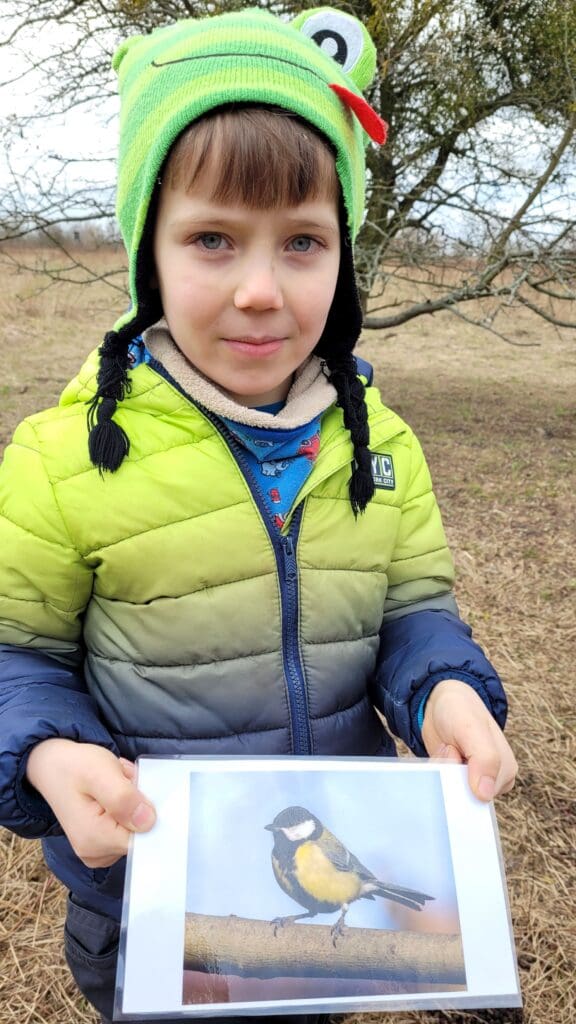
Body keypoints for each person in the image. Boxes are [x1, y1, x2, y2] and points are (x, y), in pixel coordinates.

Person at [0, 7, 517, 1023]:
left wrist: (443, 690)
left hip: (316, 926)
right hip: (147, 900)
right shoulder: (64, 462)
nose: (257, 290)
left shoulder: (381, 448)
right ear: (147, 247)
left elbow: (414, 611)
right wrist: (44, 750)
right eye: (211, 239)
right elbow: (14, 653)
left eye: (303, 244)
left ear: (345, 259)